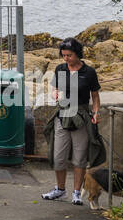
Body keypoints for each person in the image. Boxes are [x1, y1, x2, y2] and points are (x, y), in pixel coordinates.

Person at [42, 37, 103, 204]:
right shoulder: (60, 69)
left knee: (79, 157)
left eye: (69, 55)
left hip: (81, 116)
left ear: (77, 54)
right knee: (58, 156)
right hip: (62, 115)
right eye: (63, 55)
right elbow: (54, 88)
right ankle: (60, 190)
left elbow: (95, 97)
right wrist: (54, 93)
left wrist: (96, 113)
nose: (66, 59)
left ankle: (76, 192)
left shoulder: (89, 72)